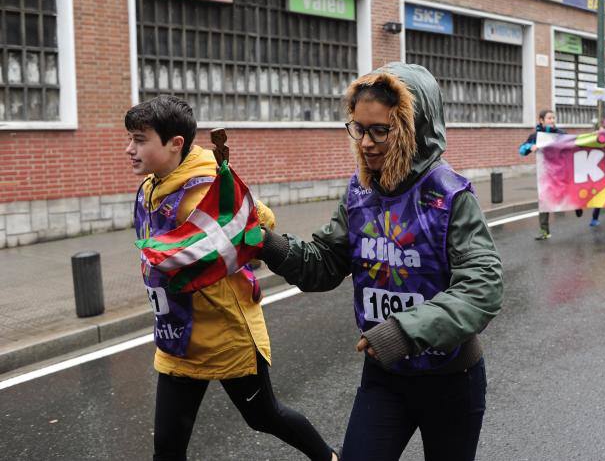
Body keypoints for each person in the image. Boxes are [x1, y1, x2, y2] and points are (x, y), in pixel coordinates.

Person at [258, 63, 503, 461]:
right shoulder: (360, 191)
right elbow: (324, 264)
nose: (366, 143)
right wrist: (266, 243)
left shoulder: (450, 196)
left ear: (413, 129)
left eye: (380, 130)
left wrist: (404, 332)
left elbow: (483, 288)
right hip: (386, 379)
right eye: (358, 128)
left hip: (452, 378)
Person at [125, 96, 338, 461]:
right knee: (168, 448)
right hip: (178, 336)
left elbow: (259, 221)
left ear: (176, 144)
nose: (130, 148)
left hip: (226, 335)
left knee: (265, 417)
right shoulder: (153, 184)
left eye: (140, 139)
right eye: (130, 138)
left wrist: (232, 219)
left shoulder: (204, 190)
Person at [520, 109, 582, 240]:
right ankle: (544, 231)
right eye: (549, 118)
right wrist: (529, 147)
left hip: (562, 171)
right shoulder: (535, 136)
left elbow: (573, 144)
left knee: (568, 192)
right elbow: (522, 150)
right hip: (546, 174)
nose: (552, 121)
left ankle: (577, 205)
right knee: (544, 200)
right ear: (541, 120)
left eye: (553, 118)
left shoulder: (561, 134)